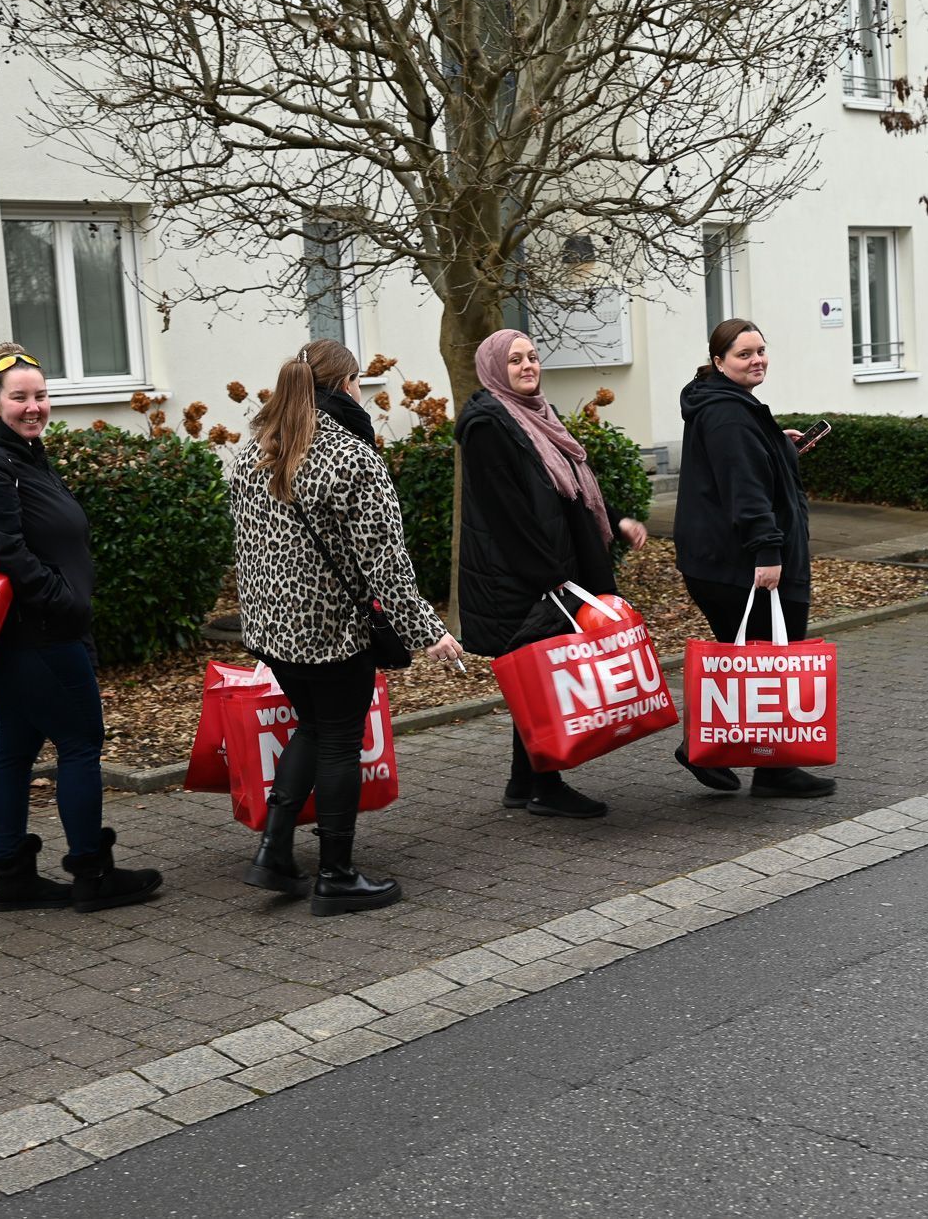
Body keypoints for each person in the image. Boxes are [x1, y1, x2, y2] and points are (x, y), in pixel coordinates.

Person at [228, 339, 463, 916]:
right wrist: (428, 632)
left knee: (312, 727)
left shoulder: (252, 450)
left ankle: (274, 852)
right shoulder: (352, 457)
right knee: (337, 739)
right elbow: (385, 563)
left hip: (273, 631)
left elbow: (248, 548)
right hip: (332, 631)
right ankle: (336, 875)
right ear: (346, 384)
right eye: (360, 380)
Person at [0, 344, 165, 912]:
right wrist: (57, 599)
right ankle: (92, 875)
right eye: (19, 397)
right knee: (79, 745)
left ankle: (13, 878)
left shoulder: (20, 454)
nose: (33, 407)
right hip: (39, 634)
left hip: (25, 635)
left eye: (40, 396)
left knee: (15, 750)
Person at [456, 328, 649, 819]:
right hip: (520, 579)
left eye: (533, 357)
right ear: (496, 368)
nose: (527, 366)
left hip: (550, 573)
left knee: (536, 678)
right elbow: (507, 515)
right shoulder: (487, 425)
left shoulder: (540, 415)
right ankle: (545, 787)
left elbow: (571, 488)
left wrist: (618, 518)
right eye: (515, 360)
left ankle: (525, 783)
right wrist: (553, 579)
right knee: (539, 679)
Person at [673, 319, 836, 797]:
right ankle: (754, 764)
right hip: (743, 563)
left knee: (752, 666)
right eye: (744, 354)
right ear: (719, 360)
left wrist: (776, 445)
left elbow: (744, 467)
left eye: (761, 350)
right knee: (768, 667)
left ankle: (752, 762)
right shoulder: (728, 413)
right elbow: (745, 490)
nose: (757, 359)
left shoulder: (727, 405)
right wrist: (767, 551)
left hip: (720, 561)